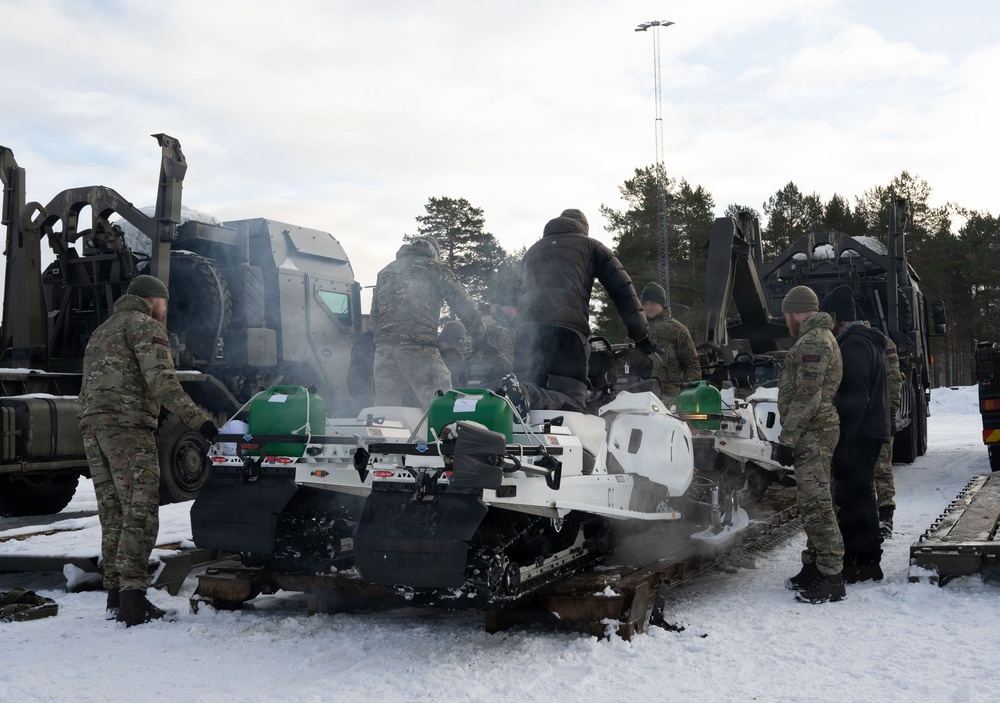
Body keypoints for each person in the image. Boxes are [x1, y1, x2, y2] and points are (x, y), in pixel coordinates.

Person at [77, 274, 217, 627]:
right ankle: (133, 604)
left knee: (113, 513)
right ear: (152, 300)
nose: (165, 310)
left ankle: (115, 597)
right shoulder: (145, 327)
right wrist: (199, 421)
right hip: (126, 427)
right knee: (140, 511)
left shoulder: (103, 330)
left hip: (93, 428)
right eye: (164, 303)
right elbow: (163, 382)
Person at [512, 208, 655, 412]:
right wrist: (640, 335)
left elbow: (517, 295)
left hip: (527, 333)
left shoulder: (532, 251)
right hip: (567, 333)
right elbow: (623, 290)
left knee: (522, 407)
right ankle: (530, 391)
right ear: (584, 228)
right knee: (573, 400)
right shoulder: (591, 245)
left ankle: (524, 394)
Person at [771, 285, 846, 604]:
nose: (787, 320)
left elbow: (809, 394)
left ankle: (831, 576)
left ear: (796, 312)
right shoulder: (815, 337)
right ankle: (814, 565)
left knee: (817, 504)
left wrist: (787, 438)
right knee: (811, 501)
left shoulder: (815, 340)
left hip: (813, 431)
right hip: (811, 430)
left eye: (787, 314)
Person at [820, 285, 890, 583]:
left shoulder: (854, 345)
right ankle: (857, 559)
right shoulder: (861, 341)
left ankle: (868, 562)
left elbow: (855, 397)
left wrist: (845, 438)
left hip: (861, 432)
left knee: (858, 497)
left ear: (838, 318)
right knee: (853, 496)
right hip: (867, 430)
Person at [370, 235, 491, 407]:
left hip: (384, 352)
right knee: (441, 402)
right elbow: (464, 304)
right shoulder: (436, 268)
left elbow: (374, 316)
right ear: (434, 253)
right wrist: (481, 336)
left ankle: (386, 434)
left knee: (385, 413)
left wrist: (383, 341)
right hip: (418, 347)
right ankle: (442, 433)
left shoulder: (385, 272)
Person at [639, 282, 701, 403]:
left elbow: (691, 364)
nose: (648, 307)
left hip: (669, 397)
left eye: (652, 303)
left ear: (662, 304)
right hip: (641, 395)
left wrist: (689, 392)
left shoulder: (677, 330)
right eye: (645, 304)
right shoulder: (638, 329)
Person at [873, 332, 903, 538]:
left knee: (881, 466)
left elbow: (893, 380)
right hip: (867, 415)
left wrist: (891, 413)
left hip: (879, 415)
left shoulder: (881, 342)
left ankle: (885, 518)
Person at [481, 288, 518, 362]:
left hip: (514, 373)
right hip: (491, 372)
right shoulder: (486, 323)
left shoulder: (514, 328)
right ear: (511, 307)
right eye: (517, 308)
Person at [438, 320, 469, 388]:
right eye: (449, 341)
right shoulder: (429, 361)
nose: (453, 346)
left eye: (458, 343)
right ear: (440, 342)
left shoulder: (459, 364)